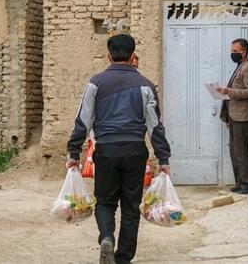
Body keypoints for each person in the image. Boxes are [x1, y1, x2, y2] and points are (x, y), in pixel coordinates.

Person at [66, 34, 171, 264]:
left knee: (105, 201)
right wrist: (163, 157)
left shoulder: (95, 83)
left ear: (108, 56)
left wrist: (73, 152)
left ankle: (106, 237)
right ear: (133, 57)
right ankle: (123, 258)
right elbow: (155, 125)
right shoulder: (146, 85)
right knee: (131, 206)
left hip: (105, 150)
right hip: (135, 150)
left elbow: (83, 120)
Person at [217, 38, 248, 195]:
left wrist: (229, 91)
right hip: (235, 116)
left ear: (243, 52)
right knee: (234, 151)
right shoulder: (240, 67)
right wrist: (227, 115)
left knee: (241, 151)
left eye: (235, 51)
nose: (232, 54)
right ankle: (240, 182)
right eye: (231, 51)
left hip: (244, 116)